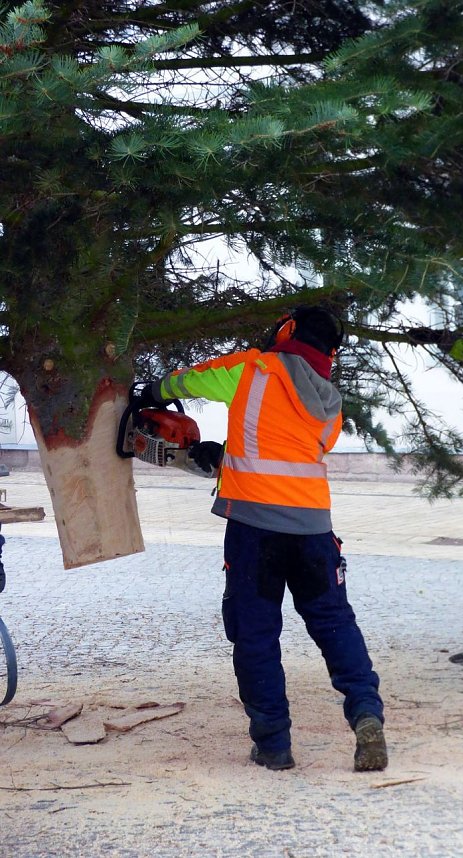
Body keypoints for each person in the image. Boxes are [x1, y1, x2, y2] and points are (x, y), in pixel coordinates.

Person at [140, 305, 387, 772]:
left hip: (254, 531)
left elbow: (189, 380)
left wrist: (150, 392)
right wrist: (224, 458)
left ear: (287, 330)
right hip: (314, 529)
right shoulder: (330, 401)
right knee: (335, 624)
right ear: (329, 353)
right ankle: (367, 714)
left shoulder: (252, 368)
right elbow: (287, 450)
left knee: (255, 633)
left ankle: (273, 744)